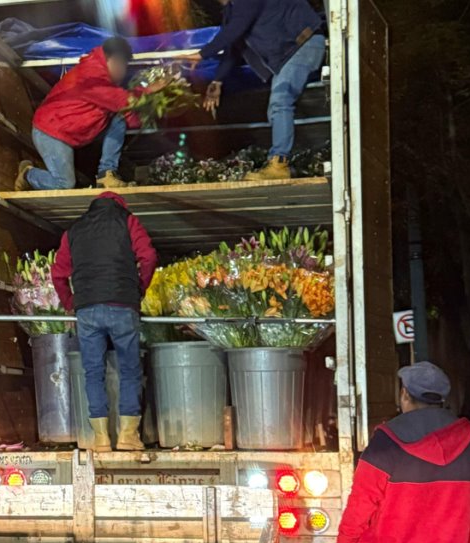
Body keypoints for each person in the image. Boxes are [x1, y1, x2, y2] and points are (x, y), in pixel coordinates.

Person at [335, 362, 470, 543]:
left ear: (405, 395)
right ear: (441, 399)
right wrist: (459, 527)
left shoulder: (386, 441)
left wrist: (346, 541)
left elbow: (362, 498)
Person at [51, 191, 157, 451]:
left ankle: (100, 439)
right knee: (130, 370)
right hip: (122, 304)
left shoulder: (74, 229)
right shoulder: (128, 221)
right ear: (120, 205)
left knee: (93, 372)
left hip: (87, 308)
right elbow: (149, 257)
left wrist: (69, 302)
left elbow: (58, 272)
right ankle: (128, 436)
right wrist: (138, 288)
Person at [188, 0, 326, 181]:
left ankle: (279, 164)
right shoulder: (231, 12)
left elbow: (236, 28)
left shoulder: (243, 5)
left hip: (303, 44)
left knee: (280, 99)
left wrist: (202, 54)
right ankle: (281, 162)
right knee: (276, 106)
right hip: (289, 55)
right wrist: (217, 81)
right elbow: (232, 49)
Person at [16, 37, 167, 192]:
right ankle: (28, 174)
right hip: (51, 133)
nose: (123, 72)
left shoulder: (105, 80)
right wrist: (150, 90)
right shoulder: (91, 75)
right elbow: (122, 101)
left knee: (118, 119)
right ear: (114, 60)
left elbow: (126, 113)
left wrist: (147, 112)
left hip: (71, 133)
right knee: (64, 184)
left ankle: (106, 174)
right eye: (122, 66)